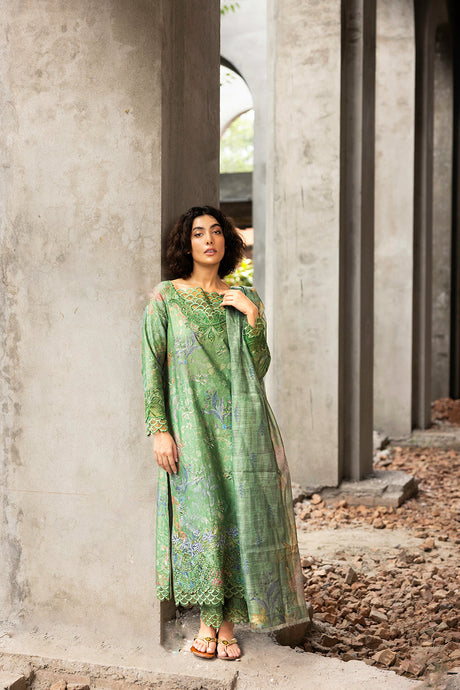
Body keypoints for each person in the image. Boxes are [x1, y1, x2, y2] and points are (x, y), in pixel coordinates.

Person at [142, 206, 308, 661]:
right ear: (186, 244)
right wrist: (159, 430)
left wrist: (253, 319)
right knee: (203, 517)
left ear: (227, 242)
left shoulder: (243, 296)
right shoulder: (166, 298)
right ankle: (207, 618)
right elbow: (152, 367)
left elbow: (258, 368)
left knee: (237, 518)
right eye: (198, 233)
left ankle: (226, 625)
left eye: (216, 232)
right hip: (190, 429)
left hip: (240, 428)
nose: (209, 240)